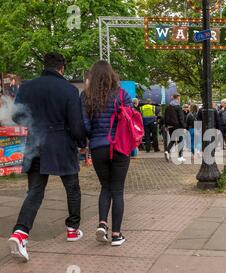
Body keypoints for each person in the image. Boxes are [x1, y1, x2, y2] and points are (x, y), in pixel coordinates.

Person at [7, 53, 86, 262]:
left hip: (35, 144)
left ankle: (20, 233)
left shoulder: (26, 87)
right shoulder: (69, 90)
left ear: (45, 66)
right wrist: (82, 143)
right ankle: (72, 229)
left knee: (34, 191)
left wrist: (35, 125)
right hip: (61, 145)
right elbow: (76, 123)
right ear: (62, 68)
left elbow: (16, 116)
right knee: (72, 188)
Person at [81, 60, 132, 246]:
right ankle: (117, 235)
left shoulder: (86, 96)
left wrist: (92, 136)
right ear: (112, 75)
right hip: (119, 147)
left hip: (98, 147)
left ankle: (102, 224)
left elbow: (85, 125)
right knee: (117, 189)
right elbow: (130, 119)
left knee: (105, 187)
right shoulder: (122, 94)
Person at [165, 93, 186, 162]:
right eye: (179, 97)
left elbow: (165, 117)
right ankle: (180, 156)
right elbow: (181, 118)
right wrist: (184, 127)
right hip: (178, 126)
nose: (180, 99)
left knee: (173, 140)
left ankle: (167, 150)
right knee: (181, 140)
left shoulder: (168, 107)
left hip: (170, 126)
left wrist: (166, 126)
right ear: (177, 98)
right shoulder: (178, 106)